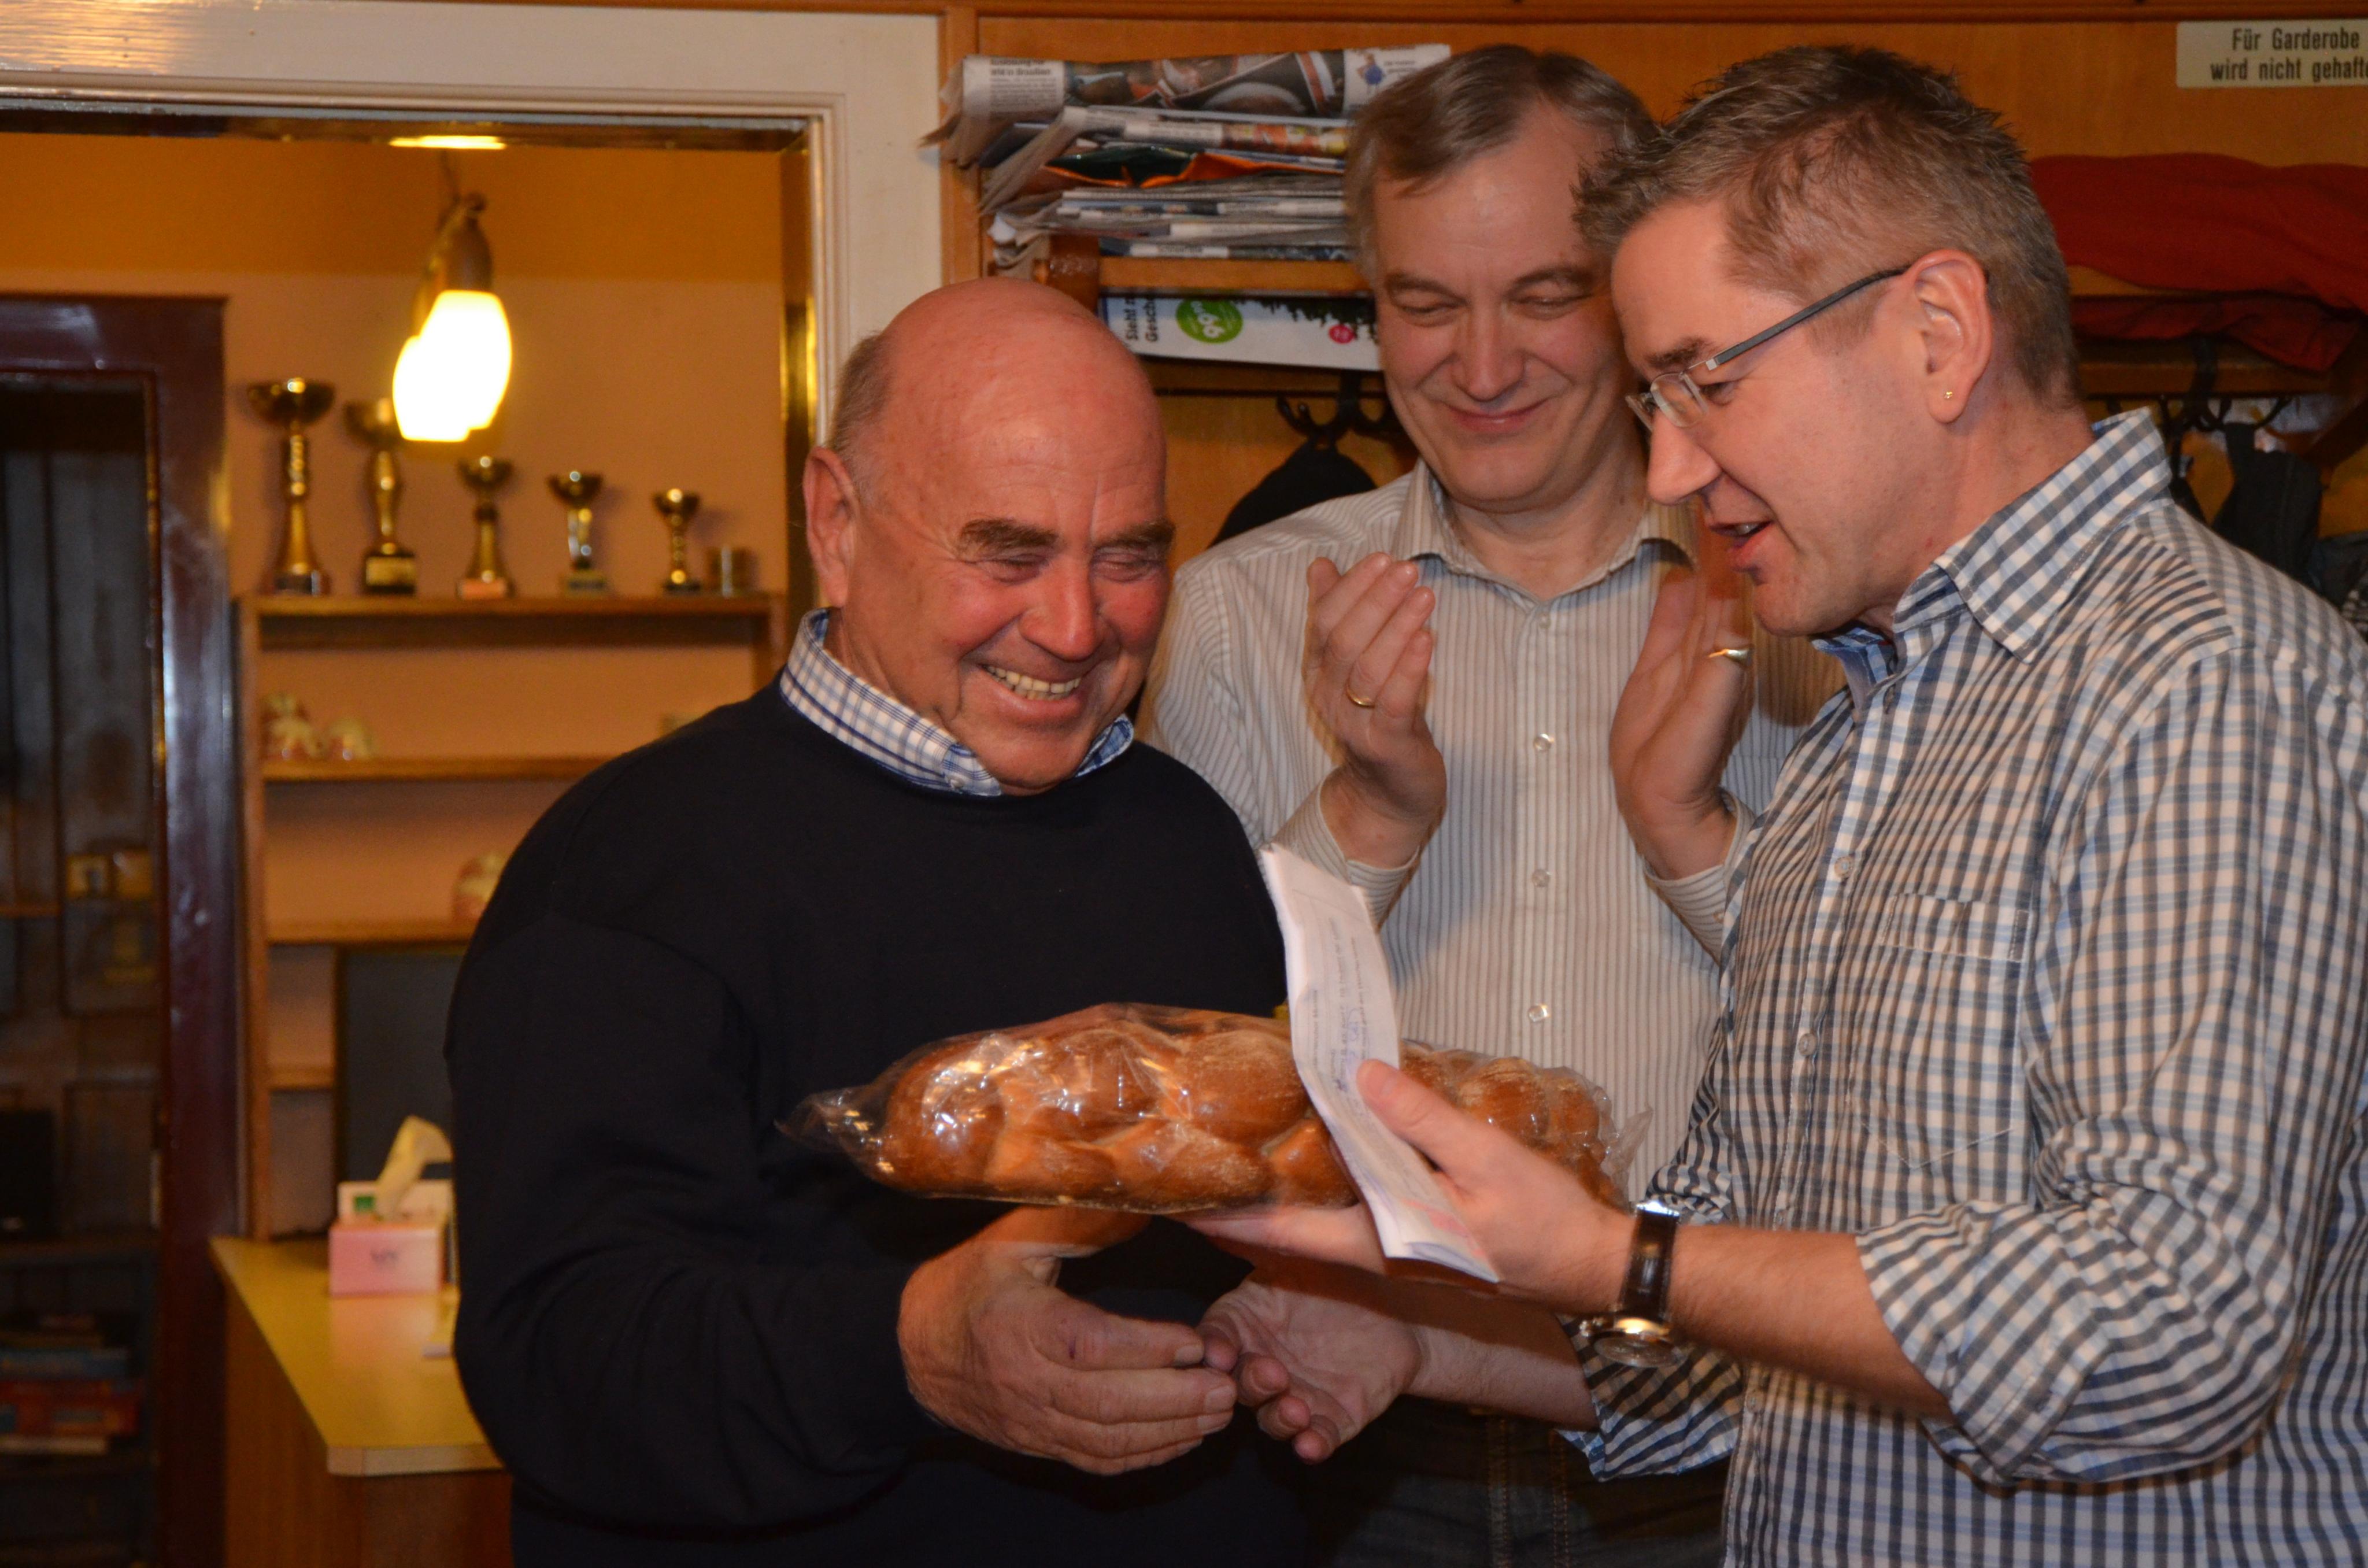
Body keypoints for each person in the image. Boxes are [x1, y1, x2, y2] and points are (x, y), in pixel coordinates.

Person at [1196, 45, 2368, 1567]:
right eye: (1655, 394)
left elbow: (2167, 1331)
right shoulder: (1860, 720)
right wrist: (1425, 1342)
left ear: (1939, 335)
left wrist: (1621, 1257)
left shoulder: (2207, 686)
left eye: (1708, 381)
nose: (1671, 464)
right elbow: (1744, 1342)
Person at [445, 278, 1311, 1566]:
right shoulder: (630, 868)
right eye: (1007, 553)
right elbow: (555, 1358)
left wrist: (1333, 1308)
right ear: (836, 522)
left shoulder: (1185, 834)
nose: (1075, 626)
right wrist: (910, 1351)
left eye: (1128, 556)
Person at [1141, 45, 1830, 1566]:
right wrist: (1362, 814)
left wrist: (1695, 843)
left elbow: (1887, 1043)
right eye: (1426, 303)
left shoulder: (1800, 609)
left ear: (1635, 294)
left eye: (1541, 296)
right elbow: (1188, 1081)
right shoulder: (1239, 614)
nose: (1482, 365)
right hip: (1347, 1442)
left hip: (1732, 1443)